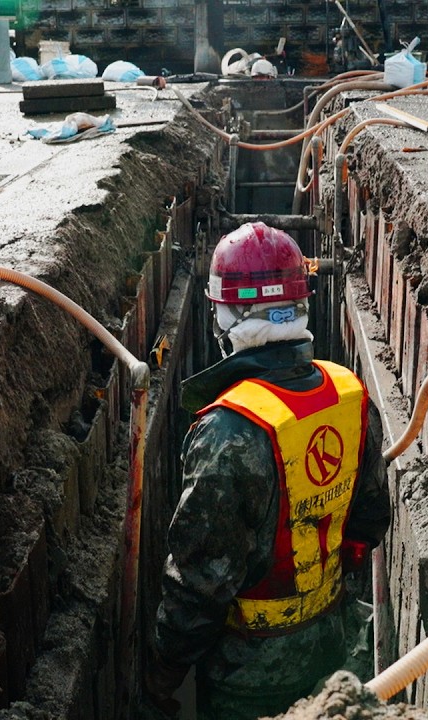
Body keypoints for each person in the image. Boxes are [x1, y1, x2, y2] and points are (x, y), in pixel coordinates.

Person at [146, 222, 392, 719]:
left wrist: (164, 669)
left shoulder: (228, 432)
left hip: (247, 677)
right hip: (331, 645)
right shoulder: (348, 394)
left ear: (226, 315)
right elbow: (370, 522)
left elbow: (200, 582)